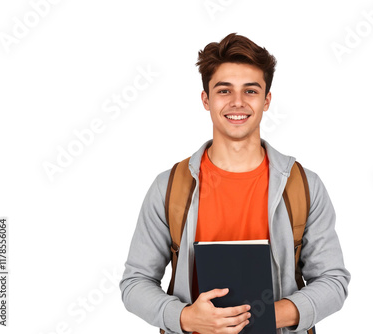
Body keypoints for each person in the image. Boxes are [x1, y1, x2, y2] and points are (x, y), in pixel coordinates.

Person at [119, 32, 350, 334]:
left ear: (267, 100)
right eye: (224, 91)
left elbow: (333, 281)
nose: (237, 103)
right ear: (206, 99)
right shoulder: (169, 187)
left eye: (250, 91)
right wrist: (186, 318)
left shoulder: (304, 185)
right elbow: (134, 283)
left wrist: (269, 315)